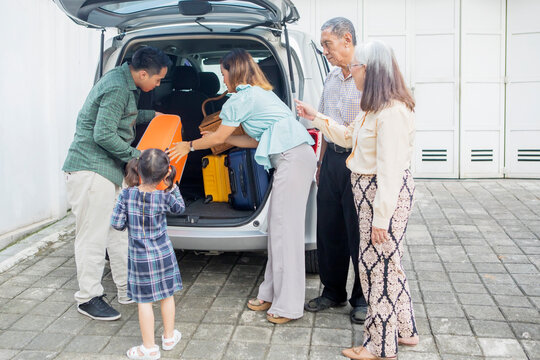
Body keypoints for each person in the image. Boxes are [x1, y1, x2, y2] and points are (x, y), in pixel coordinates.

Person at [168, 48, 316, 324]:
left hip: (292, 158)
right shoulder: (260, 94)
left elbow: (222, 134)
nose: (222, 79)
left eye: (223, 73)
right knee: (278, 230)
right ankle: (271, 293)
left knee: (287, 234)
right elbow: (255, 140)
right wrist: (221, 139)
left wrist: (188, 145)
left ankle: (289, 306)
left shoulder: (240, 99)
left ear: (233, 72)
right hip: (291, 157)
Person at [295, 40, 418, 359]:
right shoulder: (373, 107)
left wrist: (381, 220)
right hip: (369, 192)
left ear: (371, 70)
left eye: (356, 67)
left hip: (381, 196)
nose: (351, 72)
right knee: (390, 266)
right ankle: (405, 330)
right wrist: (316, 117)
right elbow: (348, 136)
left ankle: (379, 346)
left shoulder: (391, 112)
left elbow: (390, 170)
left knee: (377, 270)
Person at [63, 46, 171, 320]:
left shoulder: (125, 84)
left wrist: (152, 117)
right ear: (144, 73)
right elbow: (103, 134)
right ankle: (88, 298)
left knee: (118, 232)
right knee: (93, 237)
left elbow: (121, 116)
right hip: (90, 170)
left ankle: (126, 289)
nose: (158, 84)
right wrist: (140, 157)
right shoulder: (117, 87)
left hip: (107, 171)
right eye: (158, 80)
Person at [304, 17, 367, 324]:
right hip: (331, 162)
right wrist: (320, 162)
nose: (324, 50)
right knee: (328, 229)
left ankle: (362, 298)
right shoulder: (330, 79)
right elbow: (323, 123)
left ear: (346, 40)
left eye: (327, 44)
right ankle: (332, 291)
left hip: (359, 162)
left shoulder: (367, 76)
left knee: (358, 232)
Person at [111, 149, 185, 360]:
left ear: (138, 170)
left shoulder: (126, 195)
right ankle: (169, 338)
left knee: (144, 302)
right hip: (163, 255)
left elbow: (116, 224)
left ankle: (149, 348)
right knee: (167, 295)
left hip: (140, 258)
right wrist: (172, 186)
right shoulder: (163, 196)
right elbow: (180, 208)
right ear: (165, 174)